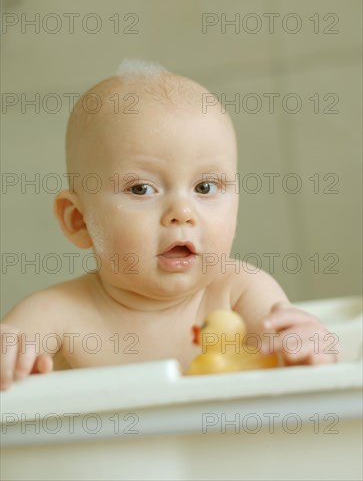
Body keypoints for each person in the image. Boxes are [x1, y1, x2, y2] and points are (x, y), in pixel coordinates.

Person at [0, 60, 337, 390]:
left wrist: (310, 348)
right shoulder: (56, 315)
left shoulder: (240, 292)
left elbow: (298, 378)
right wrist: (10, 357)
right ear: (79, 220)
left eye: (205, 188)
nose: (182, 212)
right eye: (141, 189)